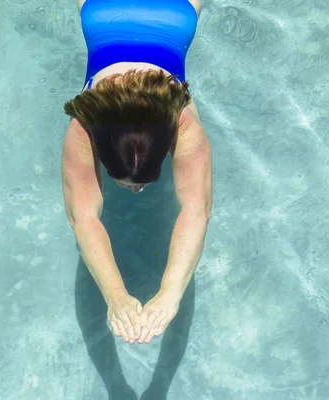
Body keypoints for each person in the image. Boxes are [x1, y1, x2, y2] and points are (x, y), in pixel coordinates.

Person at [61, 0, 212, 345]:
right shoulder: (88, 123)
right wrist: (118, 295)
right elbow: (196, 208)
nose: (134, 191)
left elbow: (83, 217)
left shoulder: (180, 118)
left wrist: (168, 296)